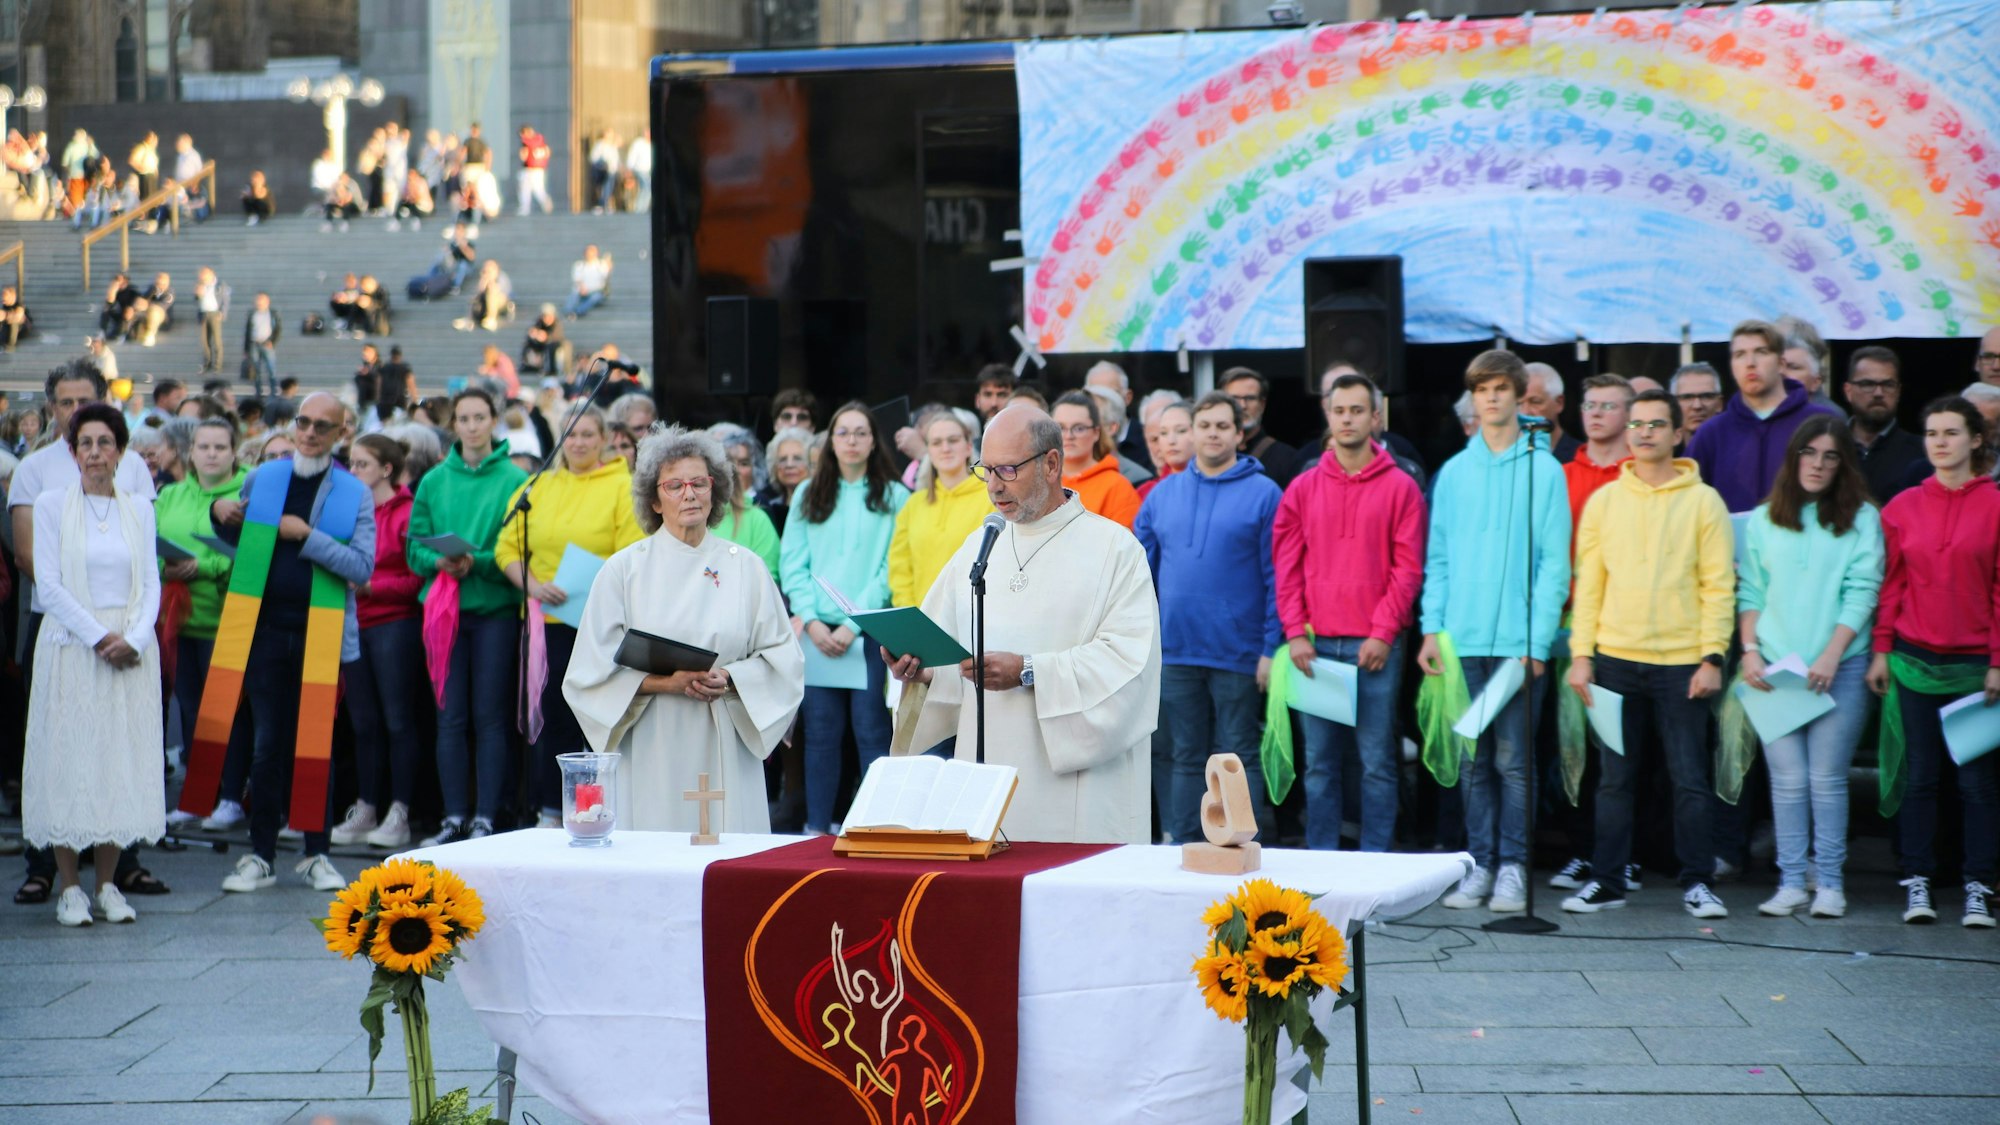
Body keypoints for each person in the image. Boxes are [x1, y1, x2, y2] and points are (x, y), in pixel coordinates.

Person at [887, 404, 1162, 843]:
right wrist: (919, 671)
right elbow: (945, 649)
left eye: (1008, 470)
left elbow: (1130, 663)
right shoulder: (980, 547)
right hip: (988, 773)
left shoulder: (1114, 549)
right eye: (986, 470)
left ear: (1052, 464)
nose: (994, 487)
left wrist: (1030, 670)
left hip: (1078, 789)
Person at [564, 426, 804, 829]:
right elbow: (589, 674)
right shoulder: (623, 570)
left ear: (716, 489)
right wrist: (667, 683)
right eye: (674, 485)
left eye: (698, 482)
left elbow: (783, 658)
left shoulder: (746, 566)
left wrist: (729, 677)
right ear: (654, 500)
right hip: (653, 737)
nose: (689, 494)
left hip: (725, 731)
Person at [1563, 390, 1735, 918]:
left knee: (1688, 778)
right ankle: (1608, 880)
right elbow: (1589, 584)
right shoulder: (1606, 501)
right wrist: (1581, 655)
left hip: (1684, 662)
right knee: (1614, 779)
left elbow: (1718, 585)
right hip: (1613, 658)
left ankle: (1699, 881)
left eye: (1656, 424)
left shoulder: (1704, 501)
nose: (1643, 433)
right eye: (1636, 424)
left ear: (1677, 434)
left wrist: (1713, 657)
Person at [198, 394, 368, 896]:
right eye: (303, 422)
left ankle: (316, 854)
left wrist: (308, 536)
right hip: (264, 628)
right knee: (268, 744)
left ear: (340, 434)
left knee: (316, 746)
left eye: (322, 426)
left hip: (322, 629)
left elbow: (361, 568)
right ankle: (261, 853)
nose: (310, 433)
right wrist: (217, 512)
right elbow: (239, 543)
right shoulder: (264, 477)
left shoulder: (353, 491)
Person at [1421, 350, 1570, 914]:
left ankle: (1513, 866)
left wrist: (1536, 642)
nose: (1491, 398)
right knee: (1472, 761)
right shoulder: (1455, 472)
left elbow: (1554, 565)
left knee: (1513, 761)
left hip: (1516, 645)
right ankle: (1479, 863)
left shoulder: (1543, 469)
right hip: (1463, 641)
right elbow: (1438, 558)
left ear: (1518, 394)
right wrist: (1433, 630)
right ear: (1474, 399)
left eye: (1501, 389)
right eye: (1481, 389)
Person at [10, 361, 162, 907]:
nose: (95, 451)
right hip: (74, 645)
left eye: (105, 442)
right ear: (71, 449)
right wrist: (101, 637)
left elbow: (151, 581)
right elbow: (46, 583)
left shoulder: (139, 508)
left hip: (129, 646)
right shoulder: (51, 502)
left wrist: (136, 639)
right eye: (85, 443)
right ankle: (69, 885)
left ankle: (108, 884)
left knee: (118, 761)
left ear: (120, 450)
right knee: (70, 759)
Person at [1735, 417, 1882, 920]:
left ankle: (1831, 883)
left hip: (1837, 666)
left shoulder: (1862, 518)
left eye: (1830, 456)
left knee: (1827, 777)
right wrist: (1750, 650)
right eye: (1809, 453)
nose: (1817, 465)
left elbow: (1863, 589)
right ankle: (1792, 881)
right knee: (1788, 780)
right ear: (1793, 457)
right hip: (1776, 668)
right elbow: (1750, 591)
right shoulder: (1763, 518)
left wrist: (1832, 653)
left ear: (1844, 464)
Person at [1273, 374, 1425, 853]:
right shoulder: (1301, 488)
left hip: (1374, 647)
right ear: (1328, 415)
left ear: (1376, 418)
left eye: (1358, 410)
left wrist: (1383, 633)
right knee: (1319, 765)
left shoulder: (1402, 487)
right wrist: (1295, 633)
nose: (1347, 419)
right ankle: (1323, 865)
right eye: (1340, 410)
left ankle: (1375, 864)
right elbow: (1286, 565)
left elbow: (1408, 569)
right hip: (1315, 648)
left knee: (1377, 762)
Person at [1868, 396, 2000, 928]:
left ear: (1975, 441)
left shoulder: (1995, 505)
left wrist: (1997, 660)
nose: (1939, 442)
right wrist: (1881, 649)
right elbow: (1891, 585)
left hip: (1975, 667)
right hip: (1913, 659)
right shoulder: (1901, 507)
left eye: (1950, 432)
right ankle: (1917, 880)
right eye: (1931, 433)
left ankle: (1977, 885)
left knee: (1976, 783)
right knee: (1920, 776)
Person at [1135, 392, 1282, 843]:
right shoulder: (1162, 495)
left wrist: (1270, 649)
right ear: (1192, 432)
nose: (1213, 433)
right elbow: (1137, 573)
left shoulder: (1266, 494)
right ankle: (1179, 850)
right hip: (1176, 649)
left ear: (1240, 433)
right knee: (1184, 755)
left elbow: (1277, 576)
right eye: (1205, 425)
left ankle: (1245, 849)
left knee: (1238, 756)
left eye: (1223, 426)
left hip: (1239, 652)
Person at [496, 404, 644, 827]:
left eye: (587, 435)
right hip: (549, 625)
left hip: (599, 627)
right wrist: (531, 584)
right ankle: (550, 809)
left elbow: (630, 554)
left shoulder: (621, 487)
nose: (578, 442)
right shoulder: (538, 485)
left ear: (603, 440)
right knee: (555, 719)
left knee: (596, 720)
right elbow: (506, 547)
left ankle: (596, 809)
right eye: (571, 434)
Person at [780, 402, 908, 833]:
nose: (851, 441)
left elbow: (890, 566)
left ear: (874, 441)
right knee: (819, 735)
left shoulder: (895, 496)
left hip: (868, 632)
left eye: (860, 433)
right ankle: (817, 828)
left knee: (872, 732)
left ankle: (876, 827)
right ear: (830, 442)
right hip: (816, 634)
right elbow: (793, 564)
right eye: (843, 433)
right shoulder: (807, 493)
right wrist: (813, 622)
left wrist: (853, 625)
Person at [409, 388, 529, 845]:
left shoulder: (513, 479)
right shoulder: (435, 481)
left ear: (494, 421)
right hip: (445, 613)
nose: (473, 425)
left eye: (481, 417)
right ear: (453, 424)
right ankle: (454, 815)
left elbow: (518, 548)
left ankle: (487, 816)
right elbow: (414, 544)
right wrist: (438, 561)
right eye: (464, 418)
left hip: (494, 610)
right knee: (450, 717)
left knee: (491, 717)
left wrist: (474, 563)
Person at [323, 435, 425, 848]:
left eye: (363, 464)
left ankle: (399, 810)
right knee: (362, 721)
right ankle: (366, 806)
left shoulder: (408, 512)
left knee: (398, 720)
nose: (353, 471)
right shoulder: (347, 509)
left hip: (393, 624)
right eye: (351, 463)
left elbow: (417, 576)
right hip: (352, 621)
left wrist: (369, 586)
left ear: (387, 469)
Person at [157, 417, 250, 829]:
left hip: (229, 619)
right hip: (180, 620)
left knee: (227, 713)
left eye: (220, 447)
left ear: (234, 452)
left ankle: (231, 796)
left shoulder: (248, 492)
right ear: (190, 452)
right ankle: (197, 797)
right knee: (192, 711)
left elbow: (254, 551)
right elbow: (147, 545)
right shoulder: (171, 494)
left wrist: (206, 565)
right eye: (203, 446)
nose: (211, 453)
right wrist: (169, 566)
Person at [1688, 320, 1842, 512]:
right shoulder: (1711, 433)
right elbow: (1688, 506)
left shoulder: (1822, 423)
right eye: (1740, 355)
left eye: (1761, 352)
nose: (1750, 363)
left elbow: (1846, 494)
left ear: (1780, 363)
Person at [889, 409, 990, 610]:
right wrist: (910, 615)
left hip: (973, 621)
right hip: (922, 623)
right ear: (928, 451)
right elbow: (900, 568)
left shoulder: (991, 498)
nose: (945, 448)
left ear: (969, 446)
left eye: (953, 440)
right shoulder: (914, 504)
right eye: (936, 442)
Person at [1842, 346, 1925, 503]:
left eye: (1887, 385)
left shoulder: (1921, 452)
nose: (1878, 393)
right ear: (1848, 391)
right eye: (1868, 384)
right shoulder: (1830, 448)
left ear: (1898, 391)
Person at [1052, 391, 1140, 530]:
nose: (1069, 435)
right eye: (1061, 428)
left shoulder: (1117, 488)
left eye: (1079, 428)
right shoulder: (1039, 482)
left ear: (1096, 433)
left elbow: (1125, 548)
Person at [1563, 375, 1635, 541]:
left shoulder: (1642, 474)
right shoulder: (1561, 476)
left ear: (1630, 415)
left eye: (1608, 406)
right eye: (1589, 406)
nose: (1596, 413)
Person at [709, 424, 783, 578]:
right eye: (729, 463)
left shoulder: (759, 513)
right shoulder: (701, 510)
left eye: (744, 463)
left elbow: (768, 575)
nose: (735, 470)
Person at [1219, 366, 1299, 486]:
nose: (1242, 406)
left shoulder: (1287, 458)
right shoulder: (1212, 453)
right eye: (1234, 399)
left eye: (1250, 398)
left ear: (1262, 404)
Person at [1084, 361, 1151, 469]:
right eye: (1093, 395)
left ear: (1128, 397)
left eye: (1111, 393)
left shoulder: (1147, 439)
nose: (1101, 401)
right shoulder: (1079, 440)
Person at [1523, 363, 1583, 463]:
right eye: (1518, 404)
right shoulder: (1506, 455)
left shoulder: (1580, 456)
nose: (1525, 411)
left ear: (1559, 403)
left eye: (1535, 402)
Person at [1135, 398, 1192, 502]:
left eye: (1181, 431)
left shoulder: (1219, 484)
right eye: (1163, 433)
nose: (1171, 441)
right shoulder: (1146, 493)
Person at [762, 426, 812, 533]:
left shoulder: (824, 506)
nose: (789, 465)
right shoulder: (767, 508)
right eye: (782, 459)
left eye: (798, 458)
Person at [1669, 362, 1726, 448]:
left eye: (1706, 396)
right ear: (1674, 405)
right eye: (1687, 397)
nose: (1697, 406)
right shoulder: (1663, 455)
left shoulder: (1741, 450)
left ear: (1719, 404)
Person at [242, 292, 281, 398]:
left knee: (271, 370)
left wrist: (272, 341)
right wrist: (246, 350)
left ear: (267, 302)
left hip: (267, 344)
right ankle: (258, 392)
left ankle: (273, 392)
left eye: (261, 300)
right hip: (254, 343)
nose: (259, 302)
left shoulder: (272, 314)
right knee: (256, 371)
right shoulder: (252, 314)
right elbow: (247, 332)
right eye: (258, 300)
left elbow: (278, 329)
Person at [563, 245, 612, 319]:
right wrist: (582, 288)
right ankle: (568, 311)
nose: (590, 255)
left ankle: (577, 312)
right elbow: (577, 279)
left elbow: (605, 278)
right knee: (574, 294)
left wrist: (609, 268)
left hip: (596, 292)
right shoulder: (579, 265)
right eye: (588, 252)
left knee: (595, 297)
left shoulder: (601, 264)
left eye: (592, 252)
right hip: (582, 291)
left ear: (596, 253)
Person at [194, 268, 228, 374]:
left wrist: (222, 312)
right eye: (201, 276)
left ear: (211, 274)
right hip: (204, 314)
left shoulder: (219, 285)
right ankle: (207, 363)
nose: (202, 278)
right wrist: (197, 293)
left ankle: (217, 365)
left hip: (215, 314)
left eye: (204, 275)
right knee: (205, 341)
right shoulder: (201, 285)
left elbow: (225, 300)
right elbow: (196, 299)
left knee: (217, 341)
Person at [517, 125, 553, 216]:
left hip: (529, 168)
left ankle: (525, 208)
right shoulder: (541, 140)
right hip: (539, 168)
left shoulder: (526, 142)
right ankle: (545, 203)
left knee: (526, 189)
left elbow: (523, 156)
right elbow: (548, 152)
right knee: (537, 188)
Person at [521, 304, 567, 376]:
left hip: (552, 345)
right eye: (544, 316)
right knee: (528, 345)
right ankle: (528, 366)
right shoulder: (539, 322)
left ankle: (549, 370)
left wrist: (545, 337)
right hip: (539, 344)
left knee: (550, 347)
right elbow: (532, 331)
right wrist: (535, 334)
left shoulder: (557, 324)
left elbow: (556, 337)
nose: (546, 319)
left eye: (548, 316)